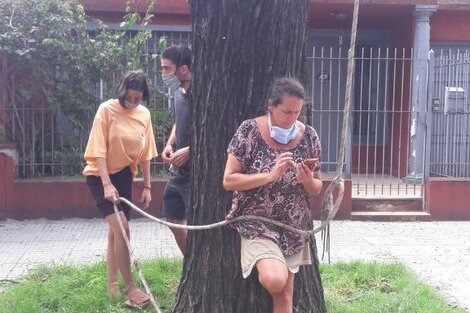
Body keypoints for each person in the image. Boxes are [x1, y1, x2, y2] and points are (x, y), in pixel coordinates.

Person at [223, 77, 322, 313]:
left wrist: (308, 181)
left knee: (285, 295)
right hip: (257, 222)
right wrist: (270, 175)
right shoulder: (249, 130)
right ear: (271, 106)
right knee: (275, 280)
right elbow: (228, 180)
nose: (292, 119)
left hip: (293, 225)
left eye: (297, 112)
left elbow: (317, 188)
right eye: (286, 112)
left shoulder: (309, 136)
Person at [83, 70, 157, 308]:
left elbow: (146, 154)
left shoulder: (143, 114)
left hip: (125, 175)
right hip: (99, 175)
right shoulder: (106, 110)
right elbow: (99, 151)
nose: (133, 103)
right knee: (123, 229)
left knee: (116, 232)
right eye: (129, 99)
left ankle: (112, 285)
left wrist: (147, 186)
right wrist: (106, 184)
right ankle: (131, 288)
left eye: (138, 99)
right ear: (122, 92)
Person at [160, 45, 192, 255]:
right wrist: (170, 144)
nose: (163, 74)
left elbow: (216, 133)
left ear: (183, 69)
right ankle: (191, 263)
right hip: (177, 172)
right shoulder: (178, 94)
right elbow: (177, 124)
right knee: (172, 219)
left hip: (196, 174)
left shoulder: (203, 96)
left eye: (166, 68)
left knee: (198, 225)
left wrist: (191, 150)